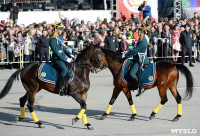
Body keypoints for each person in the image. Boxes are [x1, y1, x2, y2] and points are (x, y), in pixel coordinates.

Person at [49, 22, 74, 96]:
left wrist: (70, 54)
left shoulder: (59, 37)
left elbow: (63, 48)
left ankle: (66, 84)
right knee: (64, 70)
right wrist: (66, 59)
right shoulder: (53, 38)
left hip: (62, 57)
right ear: (56, 29)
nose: (61, 30)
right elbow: (57, 51)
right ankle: (59, 88)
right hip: (57, 59)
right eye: (60, 29)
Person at [125, 24, 149, 95]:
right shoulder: (142, 38)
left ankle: (140, 85)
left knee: (132, 73)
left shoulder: (142, 41)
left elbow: (136, 50)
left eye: (139, 31)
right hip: (138, 56)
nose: (137, 32)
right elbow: (136, 48)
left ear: (142, 32)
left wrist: (128, 54)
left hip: (141, 59)